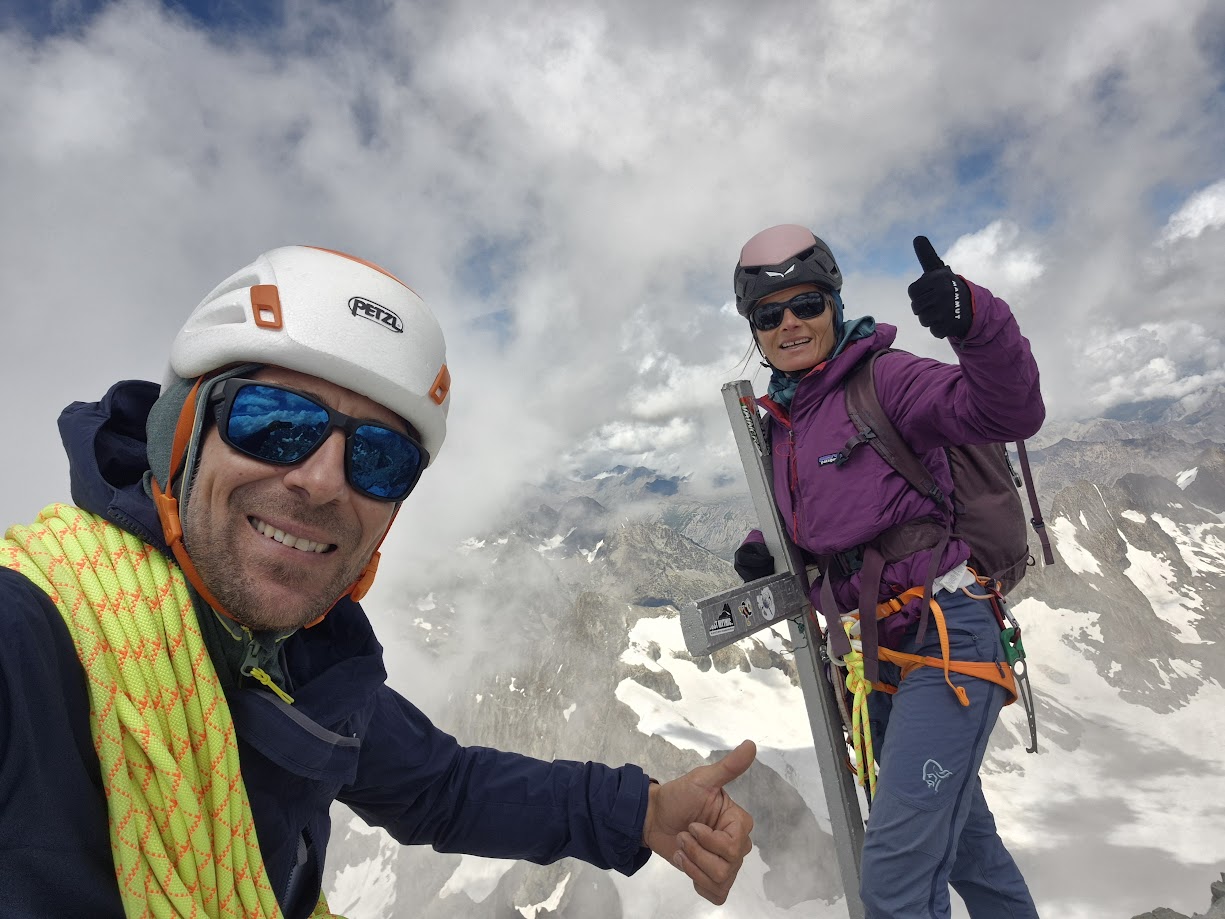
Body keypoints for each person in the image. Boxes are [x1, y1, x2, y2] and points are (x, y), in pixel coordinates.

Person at [0, 245, 756, 919]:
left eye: (378, 458)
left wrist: (644, 811)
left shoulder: (299, 662)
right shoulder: (31, 637)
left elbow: (442, 786)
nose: (322, 480)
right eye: (272, 419)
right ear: (180, 431)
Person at [730, 225, 1042, 919]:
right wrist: (766, 543)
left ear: (833, 303)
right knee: (964, 848)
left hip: (945, 638)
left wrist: (976, 319)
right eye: (767, 313)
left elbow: (1011, 410)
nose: (788, 324)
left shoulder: (885, 378)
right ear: (752, 327)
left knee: (894, 885)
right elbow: (834, 507)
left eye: (805, 303)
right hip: (879, 657)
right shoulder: (784, 417)